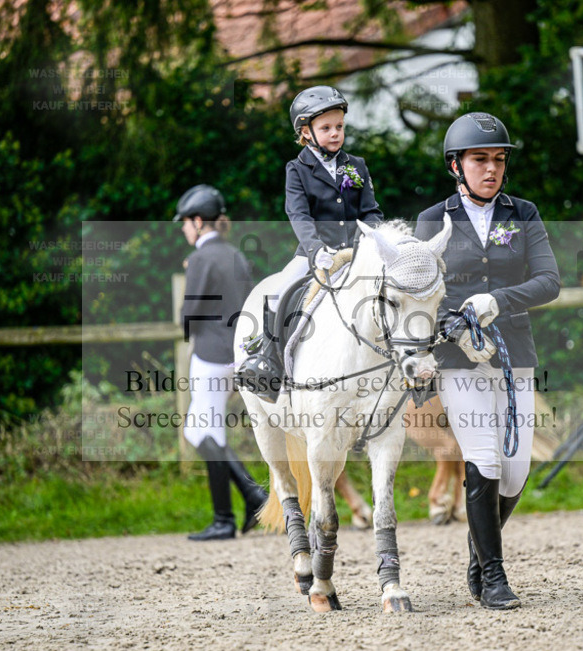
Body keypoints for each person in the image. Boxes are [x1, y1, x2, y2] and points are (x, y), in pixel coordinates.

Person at [415, 112, 561, 609]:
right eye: (480, 159)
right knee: (484, 457)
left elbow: (549, 281)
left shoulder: (524, 213)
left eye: (498, 160)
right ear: (456, 165)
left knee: (515, 473)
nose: (492, 169)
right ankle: (494, 577)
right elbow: (419, 290)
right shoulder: (433, 220)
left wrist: (498, 299)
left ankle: (478, 554)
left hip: (513, 353)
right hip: (458, 358)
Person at [235, 85, 384, 403]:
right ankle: (268, 363)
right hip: (316, 255)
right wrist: (316, 251)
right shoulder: (297, 170)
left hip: (357, 253)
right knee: (277, 293)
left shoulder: (355, 165)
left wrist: (373, 241)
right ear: (305, 132)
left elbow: (370, 211)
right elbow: (299, 215)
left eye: (339, 127)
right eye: (326, 128)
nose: (335, 133)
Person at [176, 184, 268, 541]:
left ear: (199, 221)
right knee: (204, 430)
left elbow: (189, 315)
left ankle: (231, 513)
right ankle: (240, 505)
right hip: (237, 356)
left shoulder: (200, 258)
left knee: (200, 431)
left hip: (210, 356)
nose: (184, 228)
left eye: (185, 222)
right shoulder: (234, 254)